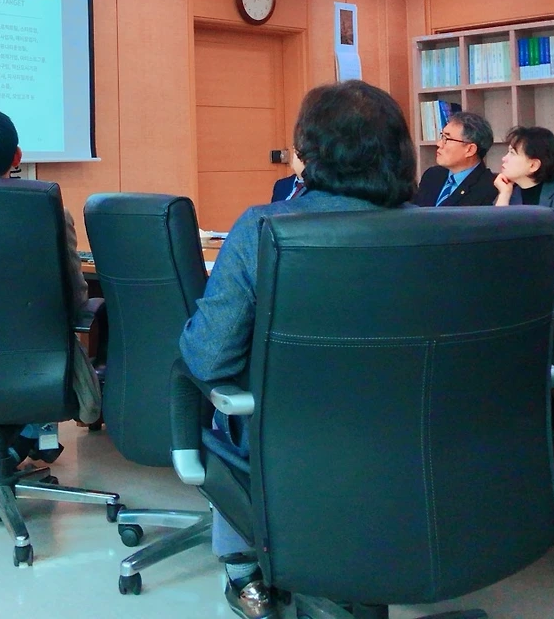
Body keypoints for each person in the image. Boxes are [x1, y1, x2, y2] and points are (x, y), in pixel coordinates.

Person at [179, 80, 418, 619]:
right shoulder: (451, 232)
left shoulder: (264, 226)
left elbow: (208, 357)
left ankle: (243, 567)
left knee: (226, 402)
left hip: (294, 445)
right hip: (419, 439)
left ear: (308, 155)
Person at [0, 107, 100, 465]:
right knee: (49, 331)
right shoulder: (48, 212)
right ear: (17, 157)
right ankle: (32, 433)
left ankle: (29, 436)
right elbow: (74, 296)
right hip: (32, 360)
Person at [493, 125, 554, 247]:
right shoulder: (507, 193)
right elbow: (492, 239)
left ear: (533, 165)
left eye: (512, 153)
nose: (504, 158)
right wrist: (504, 195)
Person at [412, 110, 497, 207]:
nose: (439, 144)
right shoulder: (432, 176)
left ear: (470, 150)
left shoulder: (489, 187)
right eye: (442, 137)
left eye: (447, 139)